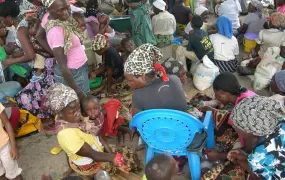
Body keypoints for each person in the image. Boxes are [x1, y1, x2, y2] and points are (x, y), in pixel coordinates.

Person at [45, 83, 129, 176]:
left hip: (89, 144)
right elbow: (93, 154)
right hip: (86, 161)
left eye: (78, 109)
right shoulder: (67, 135)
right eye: (73, 112)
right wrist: (114, 158)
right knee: (96, 173)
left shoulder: (69, 118)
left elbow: (95, 135)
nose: (78, 114)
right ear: (59, 113)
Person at [0, 2, 54, 119]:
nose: (2, 23)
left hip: (43, 66)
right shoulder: (24, 24)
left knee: (27, 97)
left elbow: (30, 55)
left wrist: (11, 62)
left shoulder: (20, 30)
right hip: (45, 62)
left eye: (2, 20)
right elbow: (29, 47)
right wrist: (15, 56)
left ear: (8, 17)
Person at [200, 72, 256, 179]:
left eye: (215, 94)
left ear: (222, 93)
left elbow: (248, 152)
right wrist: (212, 110)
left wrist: (221, 155)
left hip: (252, 159)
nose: (216, 97)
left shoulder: (251, 135)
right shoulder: (245, 93)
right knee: (219, 117)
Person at [228, 96, 285, 179]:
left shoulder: (256, 158)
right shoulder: (281, 121)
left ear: (252, 132)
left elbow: (258, 178)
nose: (234, 127)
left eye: (237, 126)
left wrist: (246, 165)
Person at [44, 0, 90, 100]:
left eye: (67, 8)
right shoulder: (56, 31)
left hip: (78, 69)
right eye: (61, 10)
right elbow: (63, 67)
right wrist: (78, 92)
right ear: (49, 10)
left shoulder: (62, 22)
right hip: (73, 73)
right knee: (81, 103)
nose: (66, 12)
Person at [124, 43, 187, 115]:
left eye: (130, 81)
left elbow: (137, 123)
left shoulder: (138, 95)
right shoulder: (174, 79)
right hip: (184, 124)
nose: (128, 84)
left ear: (142, 76)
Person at [0, 103, 22, 180]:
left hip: (4, 146)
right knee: (1, 175)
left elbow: (7, 123)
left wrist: (13, 146)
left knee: (14, 173)